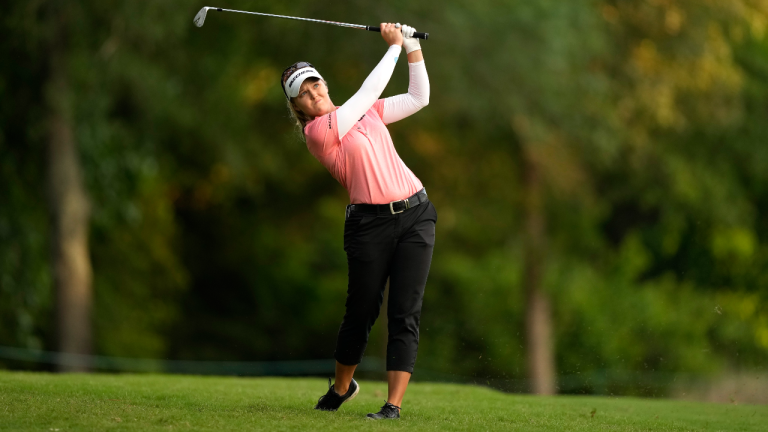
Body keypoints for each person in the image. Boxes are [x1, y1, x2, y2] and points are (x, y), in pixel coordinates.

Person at [280, 23, 435, 420]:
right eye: (305, 94)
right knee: (362, 310)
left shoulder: (367, 113)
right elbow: (367, 92)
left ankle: (393, 406)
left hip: (416, 215)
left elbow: (419, 98)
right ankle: (342, 388)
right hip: (369, 226)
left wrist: (413, 48)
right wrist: (395, 47)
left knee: (405, 311)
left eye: (316, 85)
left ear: (324, 83)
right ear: (298, 108)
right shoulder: (319, 133)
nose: (314, 95)